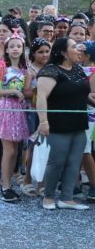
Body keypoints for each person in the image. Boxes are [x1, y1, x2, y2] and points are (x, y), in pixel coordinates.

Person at [36, 37, 93, 210]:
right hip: (58, 125)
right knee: (56, 162)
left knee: (75, 162)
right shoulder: (50, 70)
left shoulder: (78, 69)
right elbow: (41, 97)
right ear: (63, 52)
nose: (79, 49)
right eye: (74, 47)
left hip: (79, 124)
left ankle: (66, 198)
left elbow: (83, 94)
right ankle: (48, 197)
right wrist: (43, 122)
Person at [0, 33, 29, 202]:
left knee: (15, 150)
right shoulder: (1, 66)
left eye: (18, 46)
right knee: (9, 150)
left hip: (17, 110)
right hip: (3, 109)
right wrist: (13, 91)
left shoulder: (25, 69)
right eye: (12, 46)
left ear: (23, 49)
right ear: (6, 50)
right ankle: (5, 186)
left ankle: (8, 184)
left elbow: (26, 91)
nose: (15, 49)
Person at [21, 38, 51, 197]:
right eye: (41, 52)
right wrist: (40, 90)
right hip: (33, 113)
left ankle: (41, 182)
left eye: (47, 51)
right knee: (32, 147)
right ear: (33, 53)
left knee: (45, 148)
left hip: (48, 112)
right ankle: (27, 179)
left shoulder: (51, 68)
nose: (44, 54)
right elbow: (26, 91)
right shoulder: (30, 71)